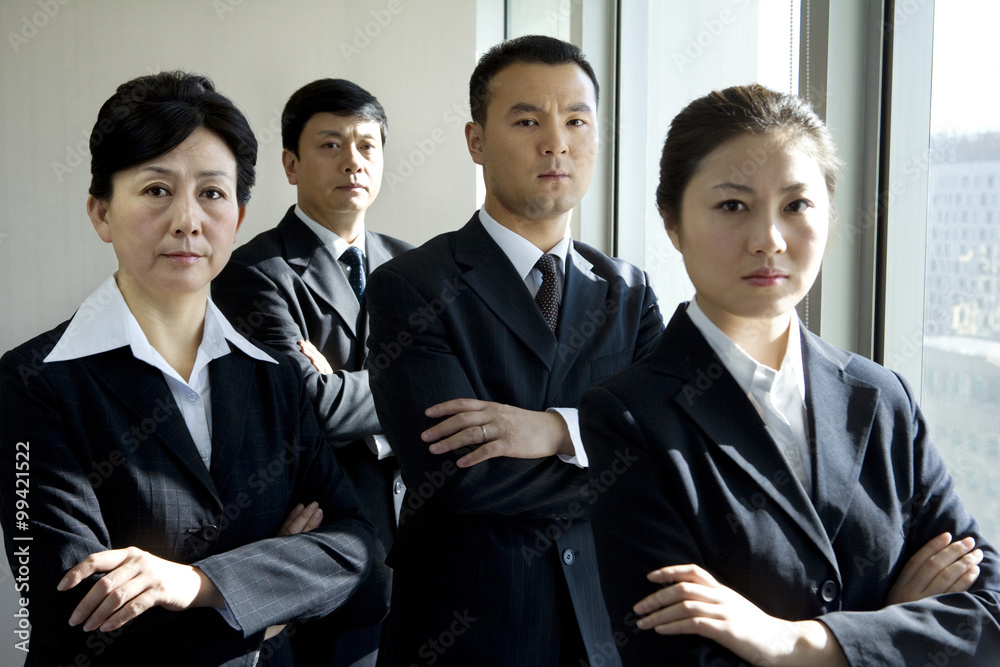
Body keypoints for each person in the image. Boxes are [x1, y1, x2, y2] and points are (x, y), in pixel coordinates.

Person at [580, 84, 1000, 665]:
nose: (768, 240)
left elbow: (991, 612)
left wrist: (795, 642)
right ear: (672, 223)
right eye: (733, 206)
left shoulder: (882, 398)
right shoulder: (629, 418)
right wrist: (889, 626)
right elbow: (680, 658)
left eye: (796, 205)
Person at [0, 71, 378, 667]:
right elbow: (70, 615)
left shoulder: (273, 377)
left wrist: (193, 586)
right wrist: (274, 596)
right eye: (155, 190)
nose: (187, 220)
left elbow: (355, 550)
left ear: (239, 214)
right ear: (101, 212)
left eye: (211, 193)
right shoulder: (33, 383)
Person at [365, 35, 664, 666]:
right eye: (527, 120)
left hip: (610, 628)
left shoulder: (630, 292)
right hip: (472, 630)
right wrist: (618, 461)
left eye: (576, 120)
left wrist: (557, 431)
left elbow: (674, 453)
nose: (556, 142)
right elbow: (460, 482)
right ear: (476, 141)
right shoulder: (412, 286)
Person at [213, 78, 409, 666]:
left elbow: (457, 393)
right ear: (291, 163)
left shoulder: (414, 266)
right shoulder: (254, 272)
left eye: (367, 146)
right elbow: (310, 406)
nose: (353, 161)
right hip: (325, 543)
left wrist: (345, 388)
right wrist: (405, 392)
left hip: (427, 547)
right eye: (330, 145)